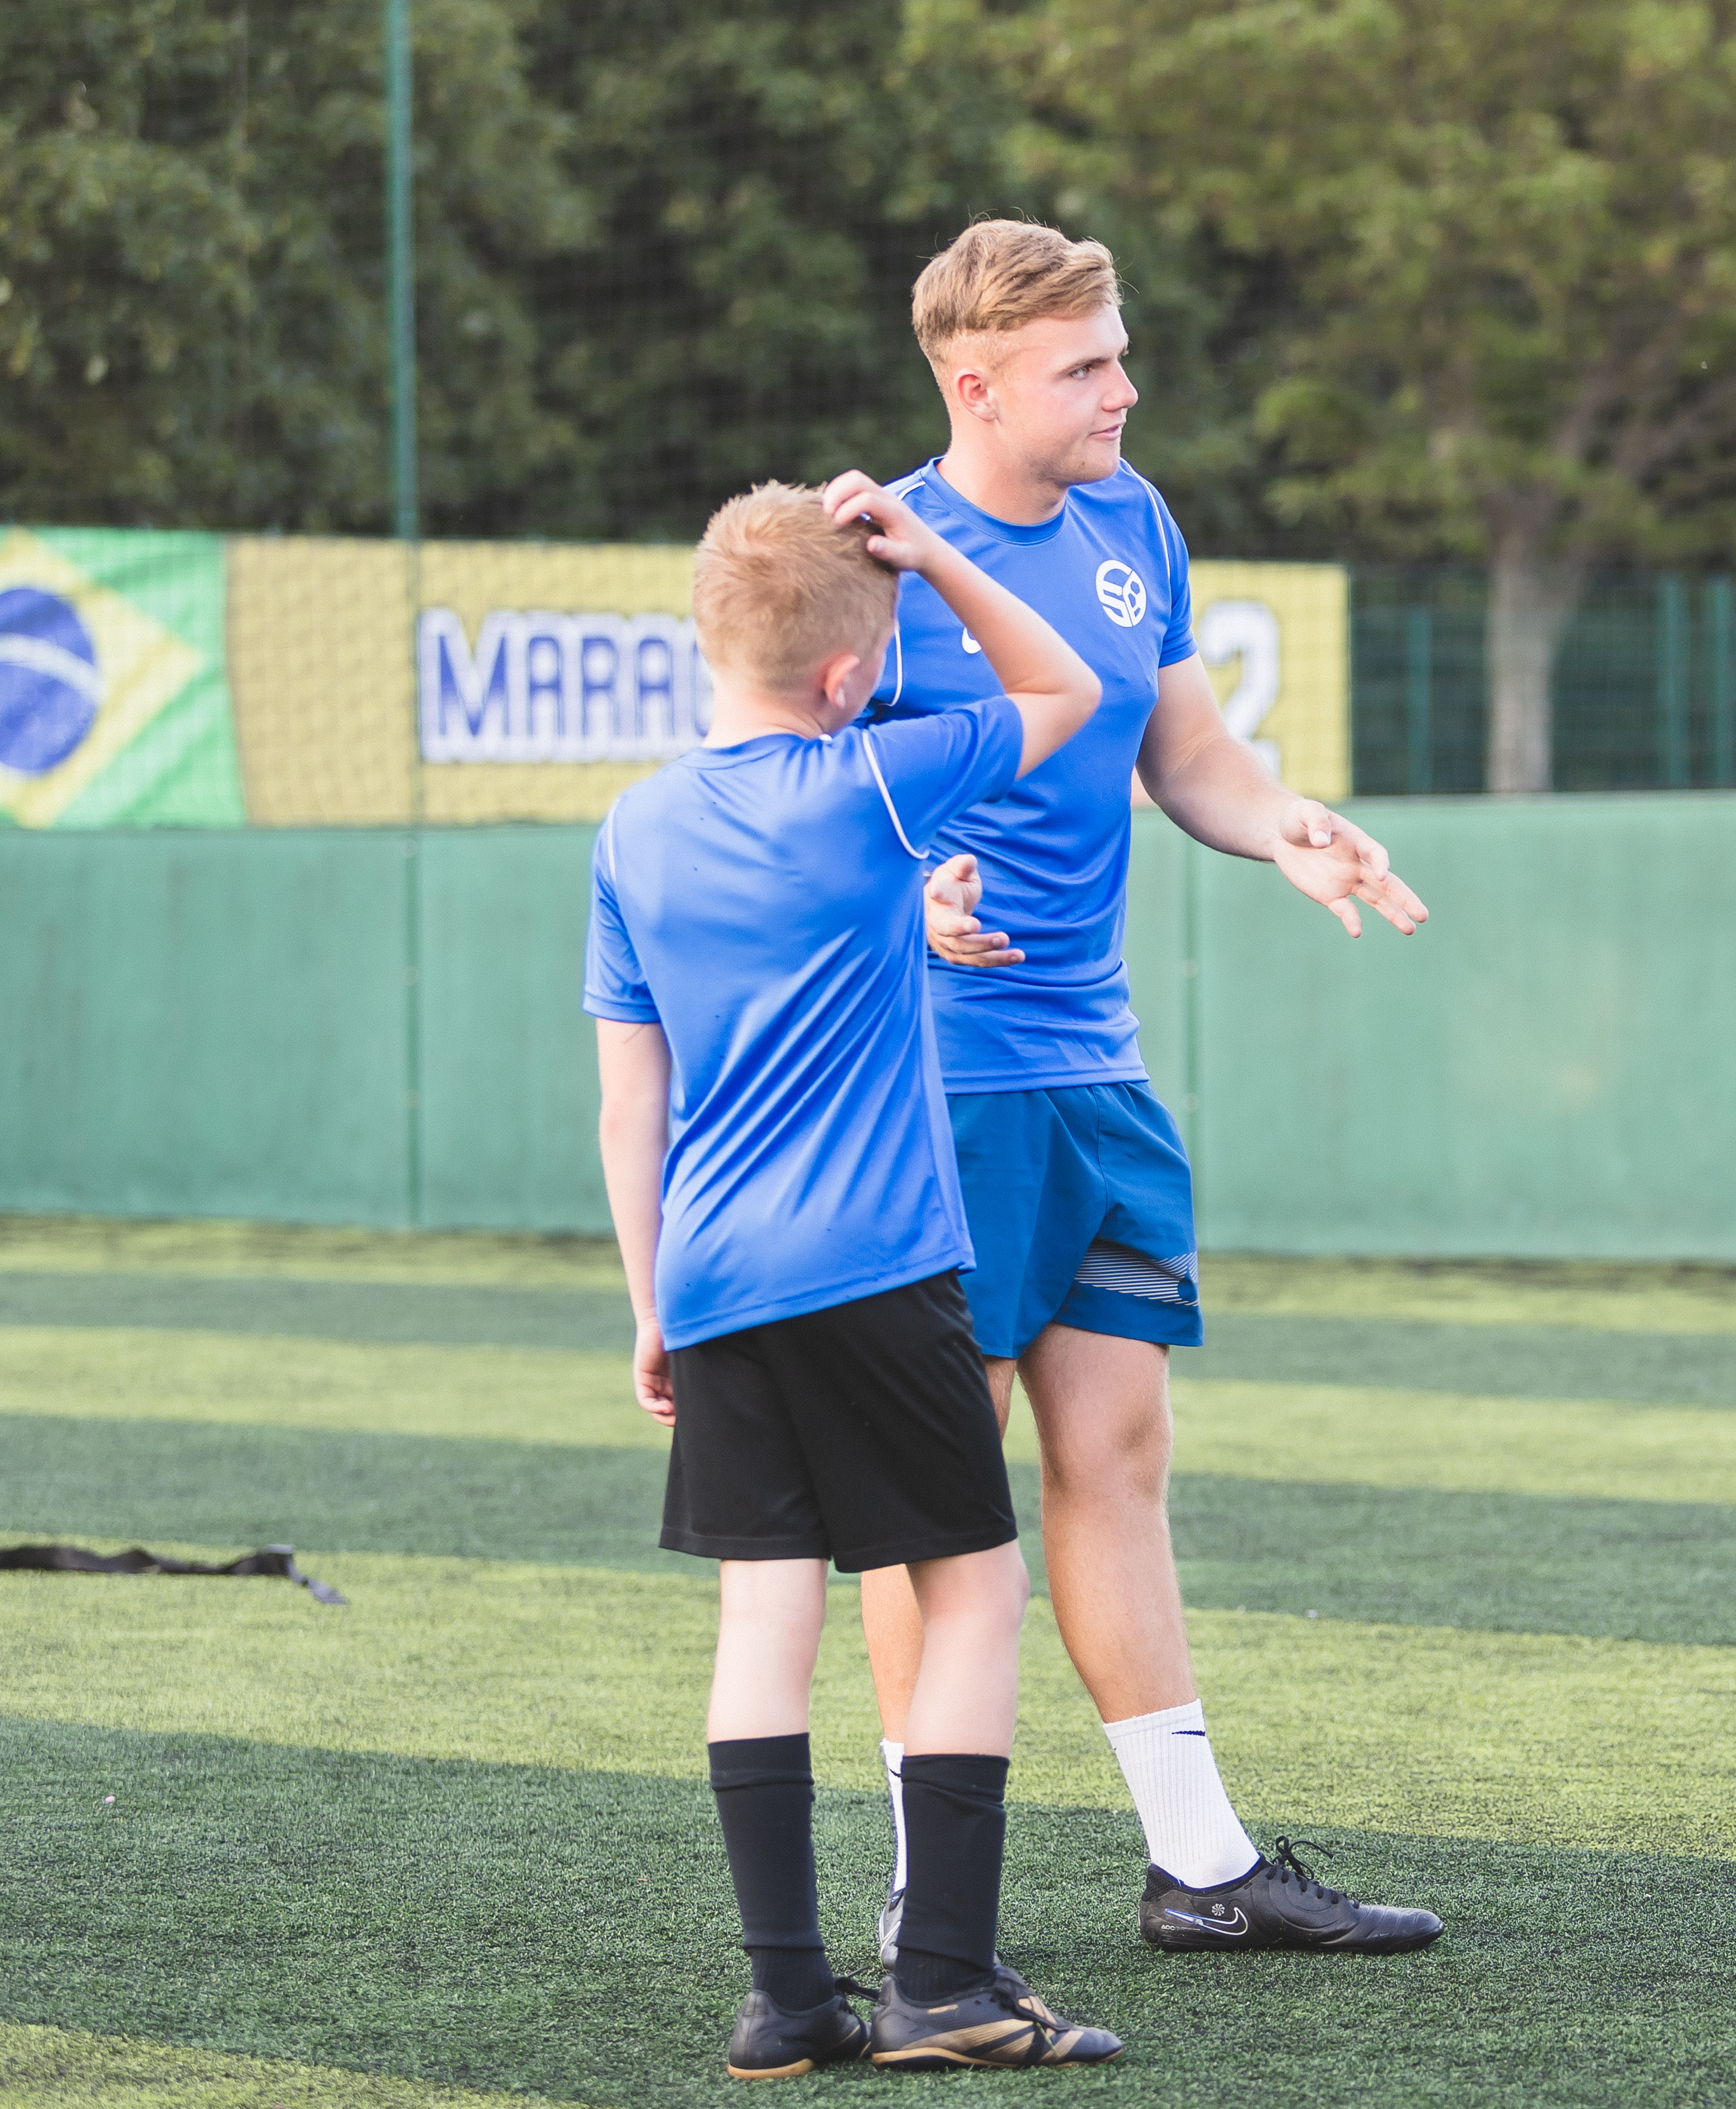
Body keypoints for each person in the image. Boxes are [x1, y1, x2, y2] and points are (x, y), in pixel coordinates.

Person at [851, 219, 1444, 1957]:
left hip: (1093, 1074)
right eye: (1086, 365)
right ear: (976, 385)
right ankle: (924, 1902)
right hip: (934, 1095)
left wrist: (1287, 829)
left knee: (1116, 1459)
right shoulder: (879, 550)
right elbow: (786, 791)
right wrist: (910, 890)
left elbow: (1186, 750)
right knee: (940, 1499)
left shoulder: (1135, 519)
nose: (1127, 386)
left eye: (1120, 350)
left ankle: (1198, 1866)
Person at [586, 474, 1123, 2076]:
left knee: (767, 1606)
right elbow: (1065, 687)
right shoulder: (870, 781)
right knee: (971, 1582)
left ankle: (784, 1999)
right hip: (878, 1271)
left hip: (719, 1275)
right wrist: (934, 549)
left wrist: (648, 1297)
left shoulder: (635, 824)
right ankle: (944, 1983)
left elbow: (634, 1097)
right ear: (844, 678)